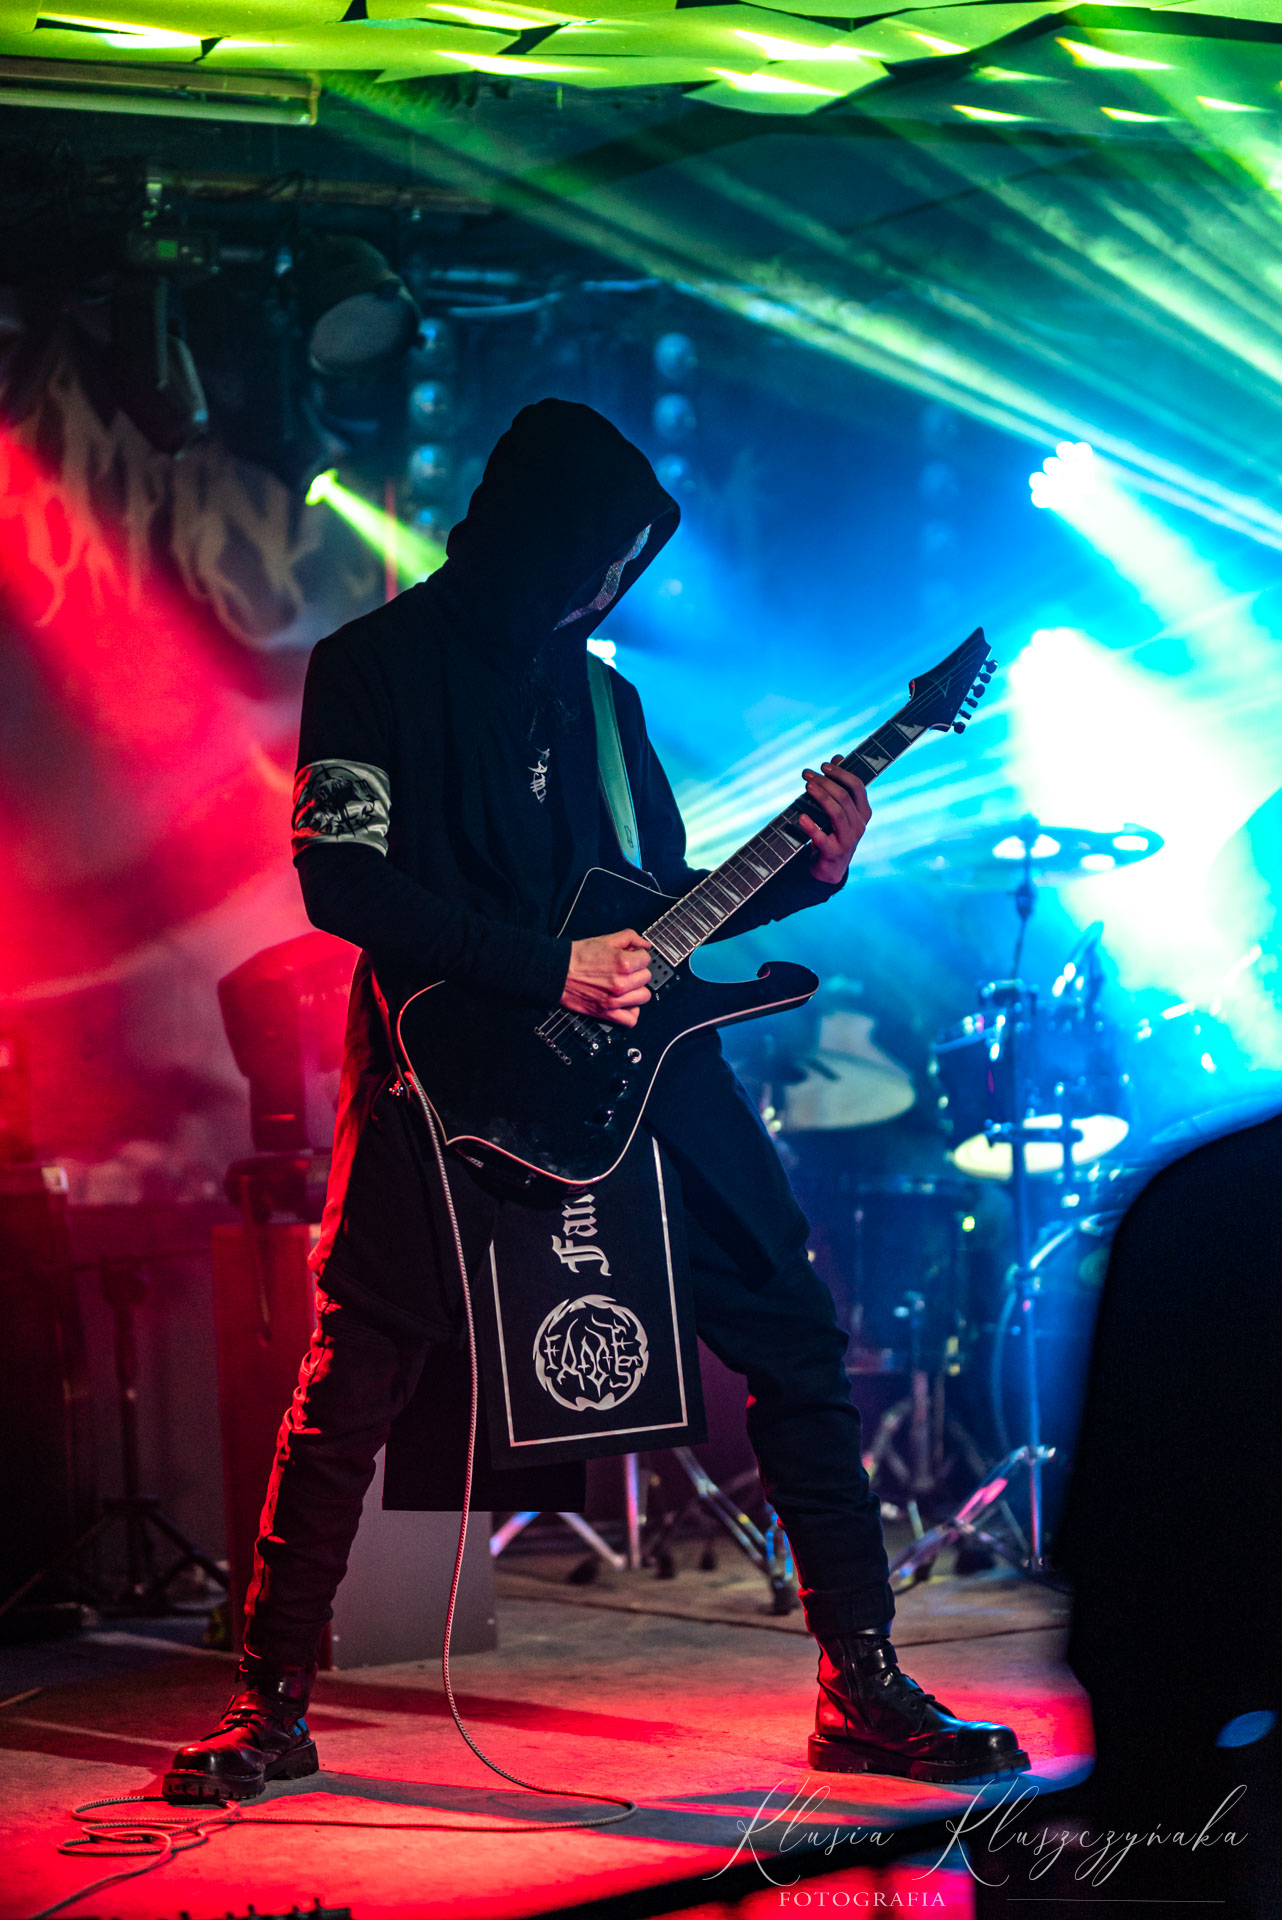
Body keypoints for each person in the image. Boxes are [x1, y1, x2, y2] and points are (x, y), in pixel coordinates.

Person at [166, 400, 1028, 1802]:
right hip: (447, 1064)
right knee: (352, 1378)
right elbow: (343, 884)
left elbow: (657, 908)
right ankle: (269, 1707)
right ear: (532, 536)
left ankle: (859, 1682)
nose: (607, 590)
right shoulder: (371, 665)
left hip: (641, 1066)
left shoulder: (608, 703)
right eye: (595, 561)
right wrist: (542, 968)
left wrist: (809, 876)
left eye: (626, 569)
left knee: (794, 1332)